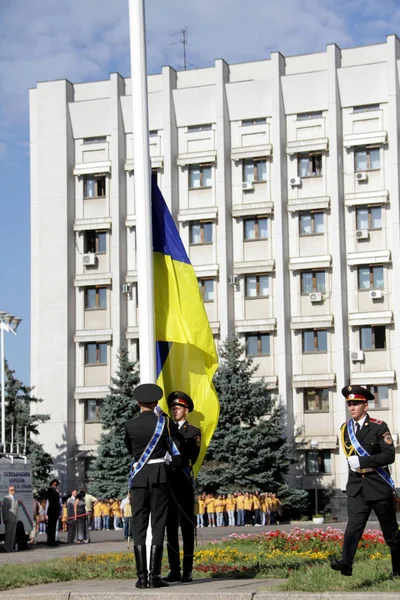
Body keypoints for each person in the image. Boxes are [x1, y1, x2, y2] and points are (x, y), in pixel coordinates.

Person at [331, 384, 400, 578]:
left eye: (356, 403)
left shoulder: (379, 426)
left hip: (378, 487)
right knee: (353, 527)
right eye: (349, 404)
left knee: (391, 533)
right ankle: (346, 563)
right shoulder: (345, 429)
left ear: (365, 406)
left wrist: (363, 460)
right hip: (357, 489)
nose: (352, 407)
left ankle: (398, 571)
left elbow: (389, 456)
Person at [124, 383, 180, 589]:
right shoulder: (164, 423)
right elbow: (174, 442)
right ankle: (155, 576)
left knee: (138, 527)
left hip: (139, 480)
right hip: (159, 477)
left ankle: (141, 578)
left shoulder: (129, 426)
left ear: (138, 403)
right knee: (158, 525)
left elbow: (132, 451)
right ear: (156, 402)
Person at [164, 391, 201, 583]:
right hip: (169, 484)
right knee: (170, 528)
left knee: (187, 528)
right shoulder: (166, 431)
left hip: (184, 483)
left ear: (186, 410)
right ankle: (174, 570)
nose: (174, 410)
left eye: (178, 408)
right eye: (172, 408)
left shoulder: (193, 431)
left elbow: (191, 457)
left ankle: (187, 570)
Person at [2, 485, 18, 552]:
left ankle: (11, 547)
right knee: (8, 534)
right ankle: (6, 546)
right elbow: (4, 509)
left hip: (14, 519)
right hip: (9, 519)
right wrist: (5, 518)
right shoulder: (6, 498)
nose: (13, 491)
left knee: (13, 534)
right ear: (8, 491)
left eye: (14, 489)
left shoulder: (15, 498)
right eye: (11, 490)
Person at [46, 478, 60, 547]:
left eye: (56, 485)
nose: (56, 486)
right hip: (51, 510)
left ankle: (53, 540)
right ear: (52, 484)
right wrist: (56, 493)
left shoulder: (55, 491)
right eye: (55, 484)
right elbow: (52, 499)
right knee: (50, 527)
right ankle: (50, 541)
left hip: (55, 511)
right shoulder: (50, 490)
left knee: (54, 527)